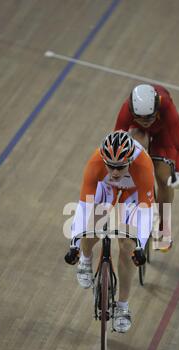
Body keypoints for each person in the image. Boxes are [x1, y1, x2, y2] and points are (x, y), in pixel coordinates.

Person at [66, 130, 154, 333]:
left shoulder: (143, 165)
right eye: (110, 166)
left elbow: (146, 212)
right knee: (92, 224)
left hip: (132, 195)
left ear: (130, 160)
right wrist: (74, 244)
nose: (114, 172)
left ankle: (122, 307)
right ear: (103, 159)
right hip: (106, 189)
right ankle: (86, 261)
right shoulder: (96, 162)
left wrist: (140, 245)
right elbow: (83, 207)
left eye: (120, 167)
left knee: (128, 245)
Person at [114, 83, 179, 251]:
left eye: (149, 118)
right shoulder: (126, 109)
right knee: (132, 150)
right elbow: (116, 142)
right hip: (138, 132)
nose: (146, 122)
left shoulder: (166, 106)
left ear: (157, 109)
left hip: (163, 134)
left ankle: (164, 227)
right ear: (133, 113)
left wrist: (178, 172)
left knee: (164, 178)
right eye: (141, 118)